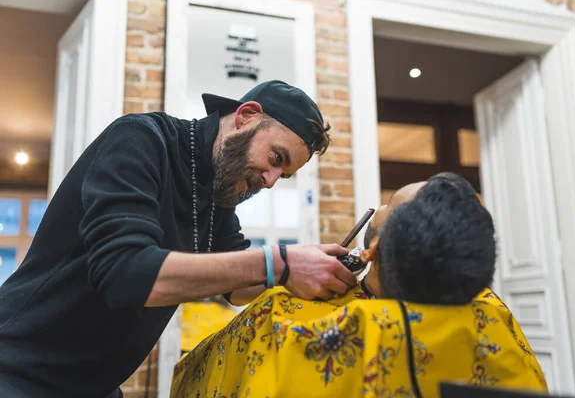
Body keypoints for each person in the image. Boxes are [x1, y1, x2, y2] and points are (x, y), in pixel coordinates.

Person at [0, 80, 356, 397]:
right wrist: (281, 264)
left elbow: (238, 288)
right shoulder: (141, 139)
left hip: (95, 385)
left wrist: (317, 269)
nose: (272, 180)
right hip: (19, 368)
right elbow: (125, 275)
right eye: (275, 158)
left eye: (284, 174)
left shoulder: (219, 190)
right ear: (246, 115)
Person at [171, 173, 547, 398]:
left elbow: (197, 378)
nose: (379, 206)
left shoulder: (288, 320)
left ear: (372, 250)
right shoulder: (491, 318)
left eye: (388, 203)